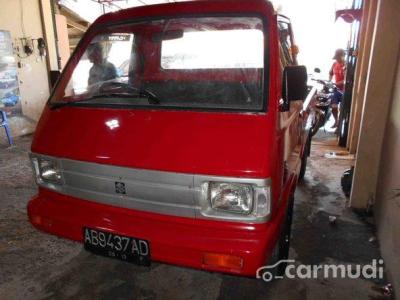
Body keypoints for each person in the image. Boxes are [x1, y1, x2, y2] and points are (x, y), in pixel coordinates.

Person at [329, 48, 346, 128]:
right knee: (333, 105)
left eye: (338, 58)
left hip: (345, 91)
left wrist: (335, 83)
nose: (337, 60)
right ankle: (336, 121)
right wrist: (329, 82)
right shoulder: (334, 64)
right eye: (336, 58)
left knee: (343, 108)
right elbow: (330, 73)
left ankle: (340, 124)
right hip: (336, 89)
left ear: (343, 56)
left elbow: (345, 80)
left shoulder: (346, 66)